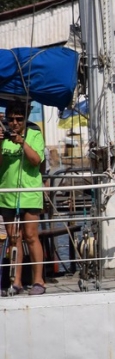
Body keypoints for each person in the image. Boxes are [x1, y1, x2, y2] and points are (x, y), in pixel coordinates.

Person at [0, 101, 46, 296]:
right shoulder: (3, 138)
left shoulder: (35, 135)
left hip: (29, 193)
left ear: (25, 119)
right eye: (11, 120)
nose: (15, 123)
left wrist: (22, 142)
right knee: (13, 238)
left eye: (19, 119)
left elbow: (36, 161)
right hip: (7, 194)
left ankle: (39, 281)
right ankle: (16, 282)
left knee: (30, 236)